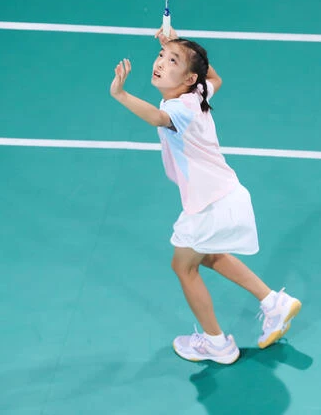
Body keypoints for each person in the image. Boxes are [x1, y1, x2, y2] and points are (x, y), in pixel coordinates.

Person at [109, 26, 301, 365]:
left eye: (172, 61)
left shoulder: (180, 109)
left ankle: (217, 344)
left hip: (210, 204)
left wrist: (121, 95)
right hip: (226, 194)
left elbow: (158, 116)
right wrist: (176, 41)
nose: (160, 63)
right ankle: (274, 303)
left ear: (187, 79)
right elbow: (216, 78)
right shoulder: (197, 94)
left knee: (184, 267)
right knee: (209, 256)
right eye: (161, 56)